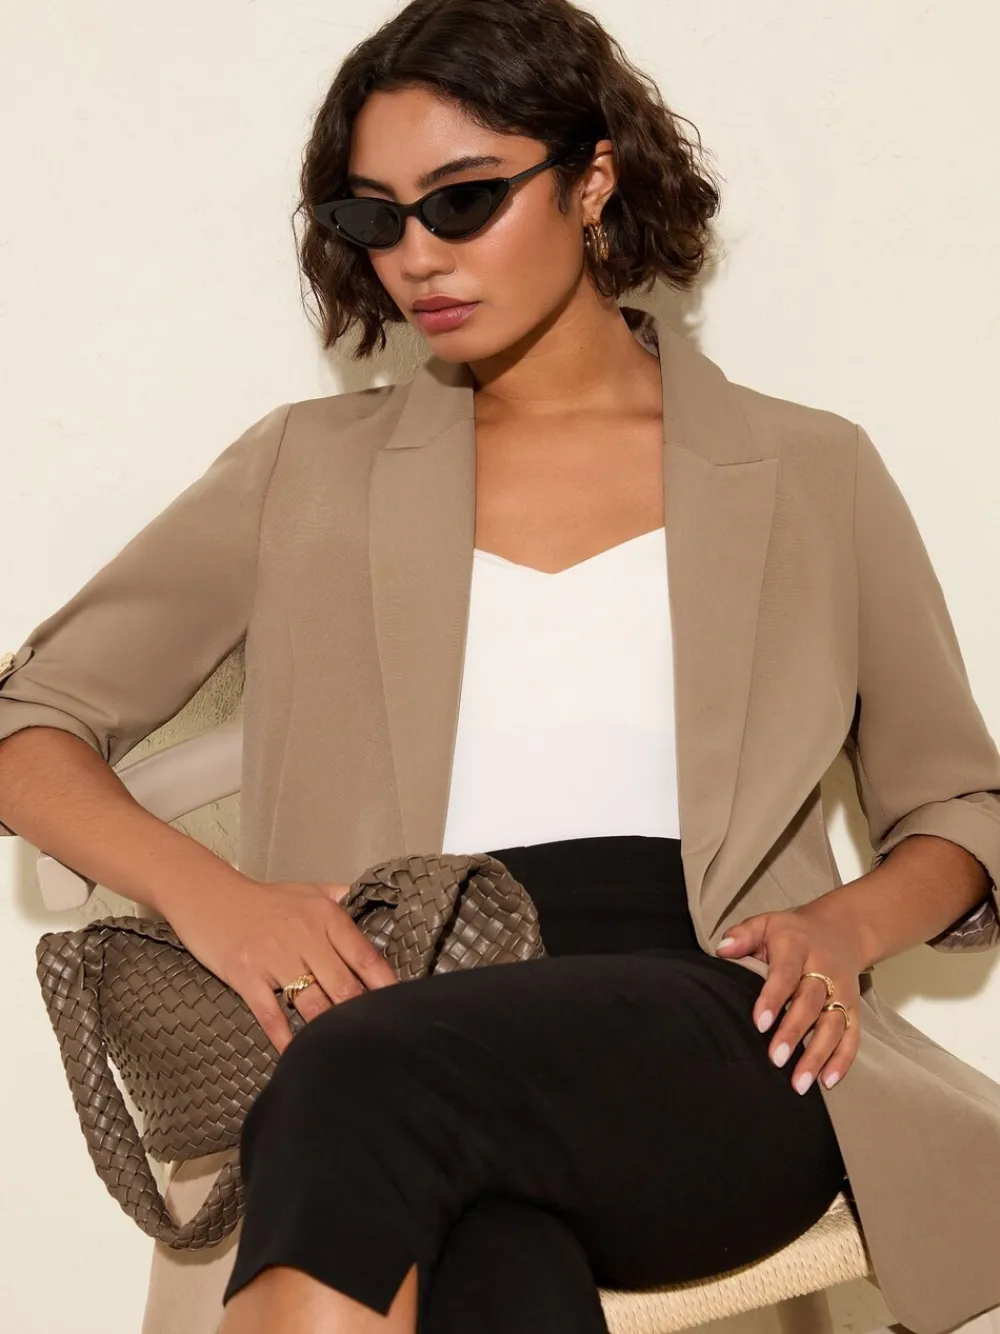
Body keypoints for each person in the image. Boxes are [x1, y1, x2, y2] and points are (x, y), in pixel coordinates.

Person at [2, 2, 1000, 1333]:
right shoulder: (306, 470)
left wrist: (847, 928)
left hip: (724, 1030)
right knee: (485, 1264)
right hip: (401, 1028)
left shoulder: (808, 470)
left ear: (593, 180)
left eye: (463, 201)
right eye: (375, 218)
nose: (417, 256)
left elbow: (961, 807)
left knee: (367, 1083)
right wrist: (215, 900)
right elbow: (31, 723)